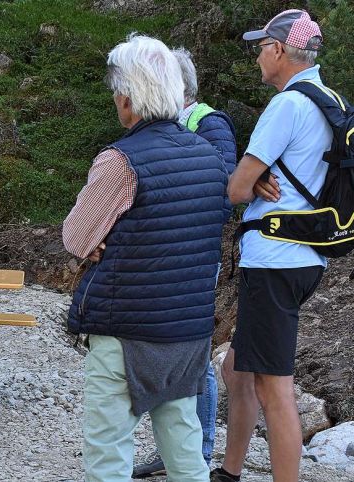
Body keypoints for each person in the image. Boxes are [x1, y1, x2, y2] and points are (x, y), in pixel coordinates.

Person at [62, 34, 228, 481]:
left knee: (108, 454)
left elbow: (76, 237)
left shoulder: (120, 161)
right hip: (187, 333)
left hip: (125, 332)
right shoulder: (212, 161)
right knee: (185, 450)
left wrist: (105, 238)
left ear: (128, 97)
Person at [214, 10, 327, 482]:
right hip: (307, 255)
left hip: (274, 258)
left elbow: (236, 189)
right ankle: (231, 470)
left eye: (262, 46)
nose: (258, 55)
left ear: (279, 50)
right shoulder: (327, 100)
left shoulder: (287, 105)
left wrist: (250, 177)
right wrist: (258, 177)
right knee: (237, 368)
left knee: (274, 386)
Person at [133, 46, 238, 478]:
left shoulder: (209, 122)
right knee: (168, 348)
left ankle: (201, 450)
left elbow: (222, 193)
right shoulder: (171, 123)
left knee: (192, 352)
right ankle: (176, 449)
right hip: (166, 256)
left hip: (192, 257)